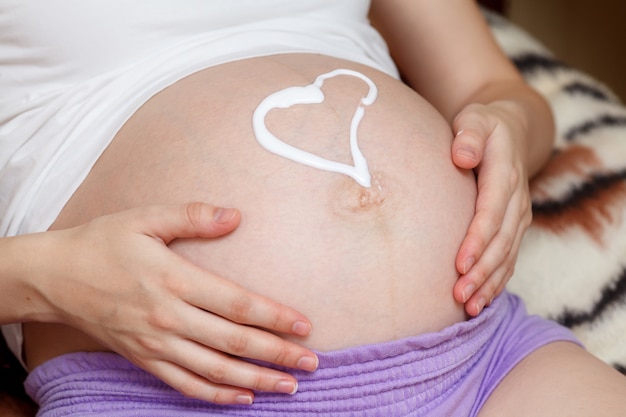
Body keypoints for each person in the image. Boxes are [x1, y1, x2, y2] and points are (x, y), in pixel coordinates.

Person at [2, 1, 625, 415]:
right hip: (174, 384)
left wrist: (510, 128)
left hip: (482, 357)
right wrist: (45, 278)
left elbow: (494, 88)